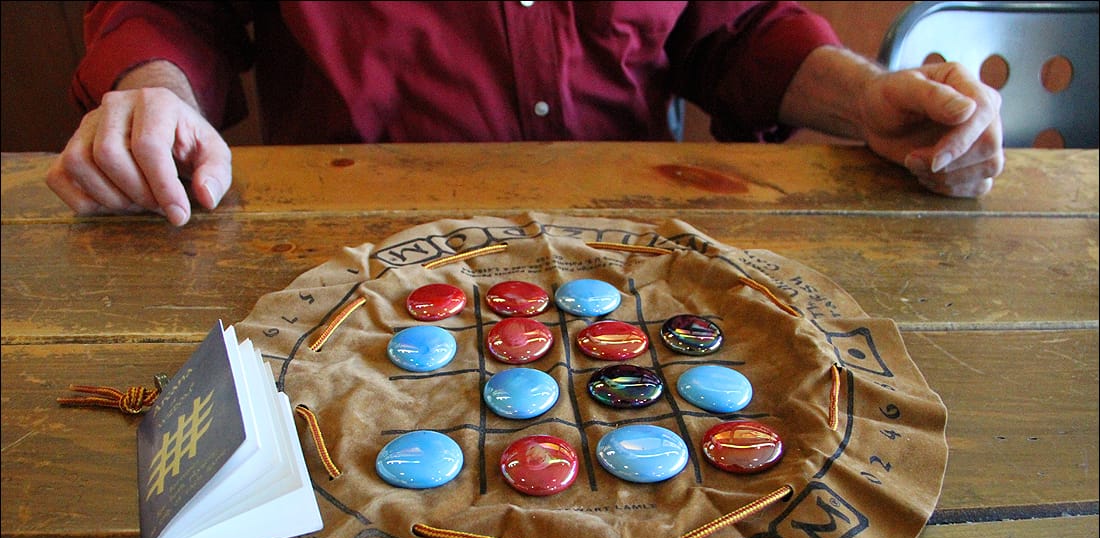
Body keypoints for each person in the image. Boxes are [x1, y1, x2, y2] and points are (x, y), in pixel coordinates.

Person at [46, 1, 1005, 227]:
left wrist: (865, 98)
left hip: (638, 250)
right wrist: (154, 96)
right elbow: (172, 11)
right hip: (347, 255)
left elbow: (729, 27)